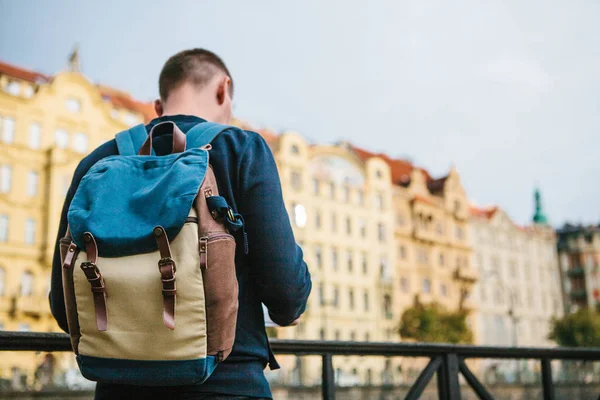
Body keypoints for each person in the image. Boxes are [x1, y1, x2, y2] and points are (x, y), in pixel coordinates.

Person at [49, 48, 312, 400]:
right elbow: (286, 293)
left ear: (159, 107)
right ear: (224, 90)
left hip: (120, 388)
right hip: (228, 386)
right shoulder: (241, 148)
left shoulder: (98, 162)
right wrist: (289, 306)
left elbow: (64, 308)